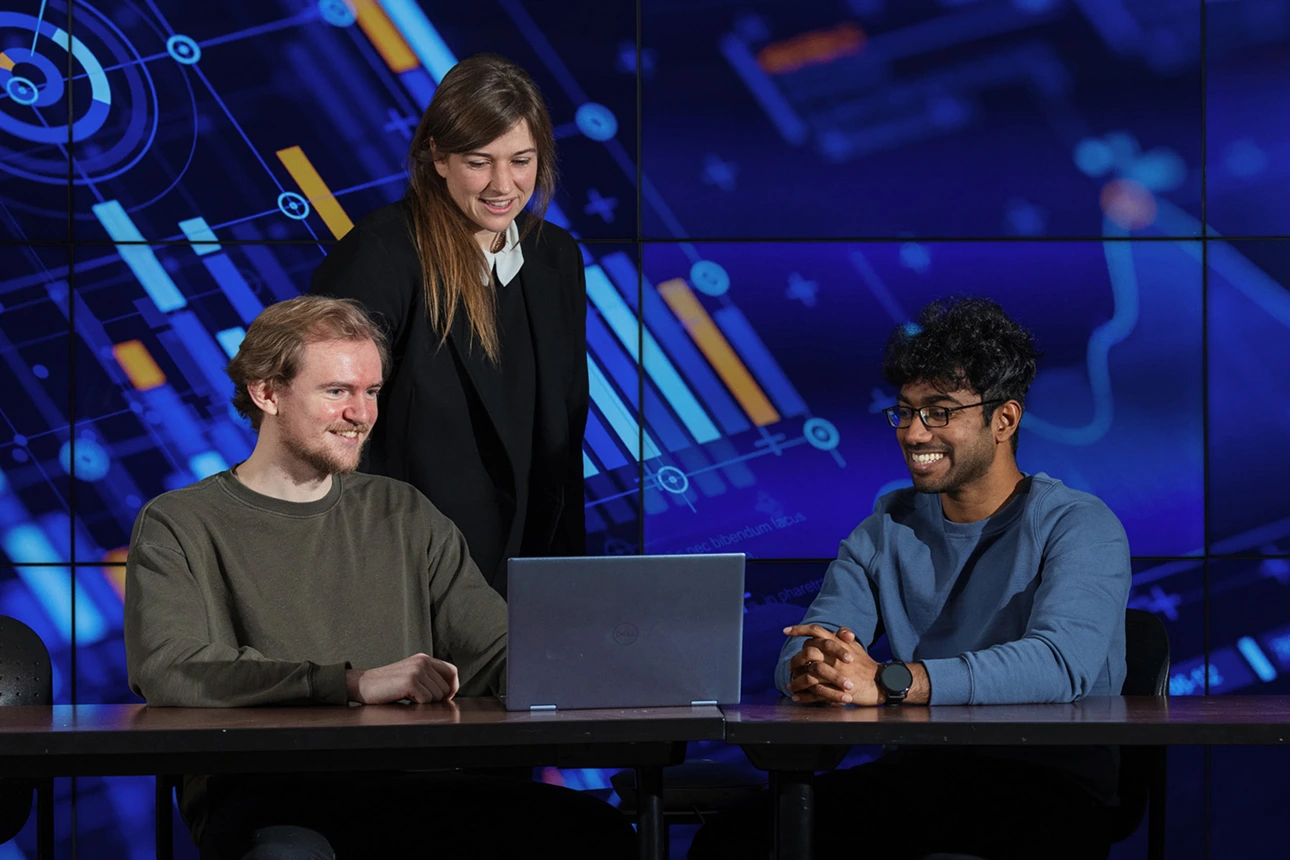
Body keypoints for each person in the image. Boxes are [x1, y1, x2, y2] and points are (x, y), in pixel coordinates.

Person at [124, 296, 632, 860]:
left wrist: (614, 664)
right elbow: (170, 668)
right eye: (337, 391)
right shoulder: (180, 522)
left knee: (596, 833)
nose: (361, 414)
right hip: (267, 789)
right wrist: (350, 684)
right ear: (267, 393)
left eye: (371, 392)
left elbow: (496, 650)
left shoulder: (402, 511)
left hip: (413, 783)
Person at [689, 297, 1132, 860]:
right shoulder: (888, 524)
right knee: (736, 840)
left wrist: (893, 682)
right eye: (905, 412)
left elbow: (1060, 664)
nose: (914, 434)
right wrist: (814, 669)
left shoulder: (1078, 523)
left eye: (939, 412)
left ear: (1004, 420)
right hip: (921, 775)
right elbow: (812, 641)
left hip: (1047, 784)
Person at [310, 53, 588, 597]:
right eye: (479, 162)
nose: (503, 185)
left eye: (521, 160)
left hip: (536, 568)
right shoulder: (379, 257)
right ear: (438, 156)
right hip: (413, 570)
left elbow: (562, 432)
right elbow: (328, 425)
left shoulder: (557, 256)